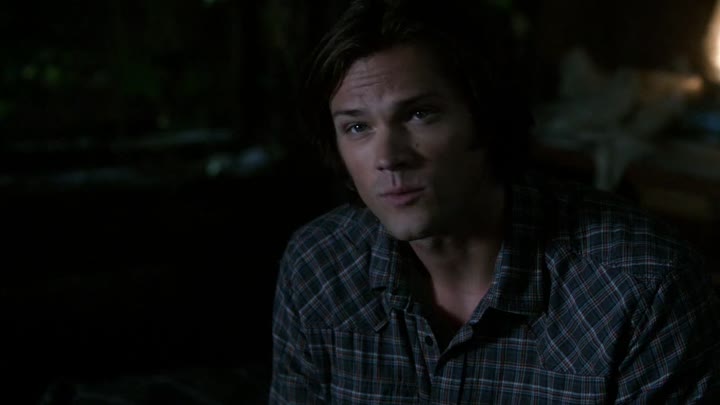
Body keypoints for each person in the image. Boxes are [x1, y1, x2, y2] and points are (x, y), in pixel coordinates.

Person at [270, 0, 720, 402]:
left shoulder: (640, 288)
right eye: (357, 127)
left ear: (486, 118)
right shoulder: (321, 265)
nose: (387, 157)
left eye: (420, 114)